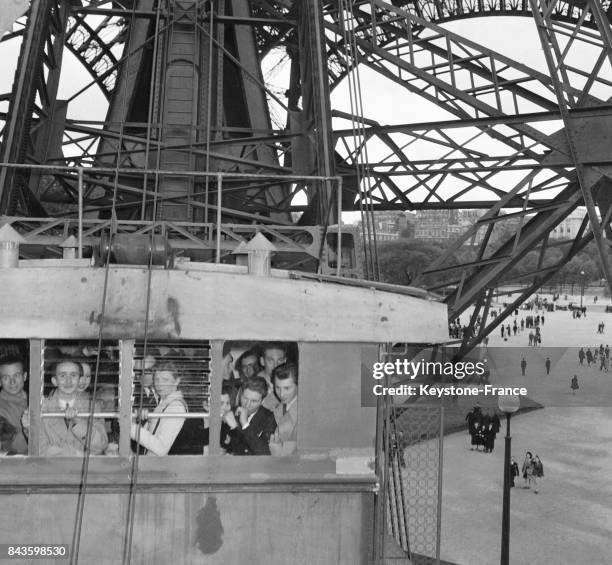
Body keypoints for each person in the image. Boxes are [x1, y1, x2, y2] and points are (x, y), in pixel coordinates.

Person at [25, 360, 108, 456]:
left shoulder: (92, 406)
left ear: (79, 379)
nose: (68, 381)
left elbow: (101, 445)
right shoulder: (41, 407)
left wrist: (78, 422)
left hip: (86, 469)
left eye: (73, 375)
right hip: (52, 468)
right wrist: (75, 454)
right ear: (54, 381)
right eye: (63, 375)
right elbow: (39, 449)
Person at [130, 360, 186, 456]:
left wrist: (132, 427)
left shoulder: (175, 407)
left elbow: (161, 448)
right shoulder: (164, 403)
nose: (159, 384)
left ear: (177, 381)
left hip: (159, 467)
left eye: (165, 380)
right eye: (156, 379)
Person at [223, 376, 276, 455]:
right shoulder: (231, 412)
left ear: (263, 401)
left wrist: (245, 424)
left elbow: (264, 453)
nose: (247, 405)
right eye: (245, 398)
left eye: (254, 401)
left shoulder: (269, 418)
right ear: (240, 394)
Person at [0, 355, 29, 455]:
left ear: (25, 376)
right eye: (6, 377)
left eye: (16, 375)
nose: (12, 381)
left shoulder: (38, 400)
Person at [269, 363, 298, 456]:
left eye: (287, 388)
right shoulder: (274, 404)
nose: (281, 394)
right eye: (277, 387)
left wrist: (279, 453)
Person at [258, 343, 287, 410]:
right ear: (262, 361)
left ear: (285, 361)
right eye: (270, 360)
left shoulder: (292, 383)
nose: (276, 365)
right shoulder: (251, 385)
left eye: (280, 360)